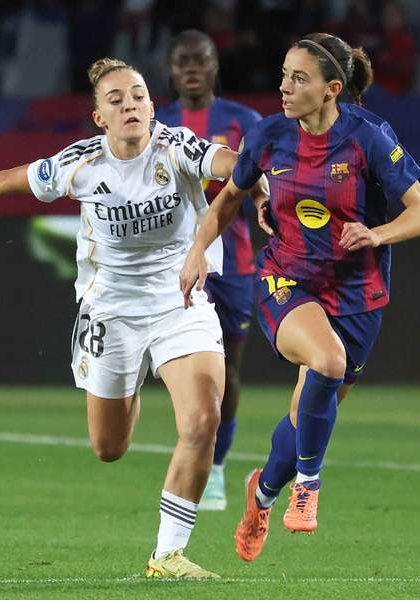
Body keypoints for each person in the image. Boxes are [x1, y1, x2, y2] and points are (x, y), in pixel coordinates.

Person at [0, 57, 267, 579]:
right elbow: (13, 179)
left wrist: (258, 188)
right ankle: (134, 381)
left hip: (179, 303)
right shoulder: (80, 163)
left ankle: (167, 555)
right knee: (108, 448)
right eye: (116, 99)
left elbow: (231, 164)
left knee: (202, 420)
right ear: (99, 117)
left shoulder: (177, 146)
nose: (130, 106)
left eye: (139, 96)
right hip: (110, 312)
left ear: (152, 105)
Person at [180, 32, 420, 562]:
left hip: (358, 294)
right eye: (283, 75)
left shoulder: (368, 137)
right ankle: (309, 486)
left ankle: (263, 493)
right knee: (326, 359)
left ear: (331, 89)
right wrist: (196, 251)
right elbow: (229, 198)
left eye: (299, 78)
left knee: (308, 411)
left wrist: (377, 234)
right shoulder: (268, 135)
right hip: (285, 279)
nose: (284, 87)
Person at [156, 29, 263, 512]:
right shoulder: (156, 123)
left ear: (215, 65)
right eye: (183, 61)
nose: (192, 68)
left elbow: (262, 179)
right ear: (171, 69)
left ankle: (216, 468)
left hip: (234, 265)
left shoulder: (244, 121)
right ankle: (196, 452)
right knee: (186, 366)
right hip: (174, 262)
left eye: (201, 60)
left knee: (230, 370)